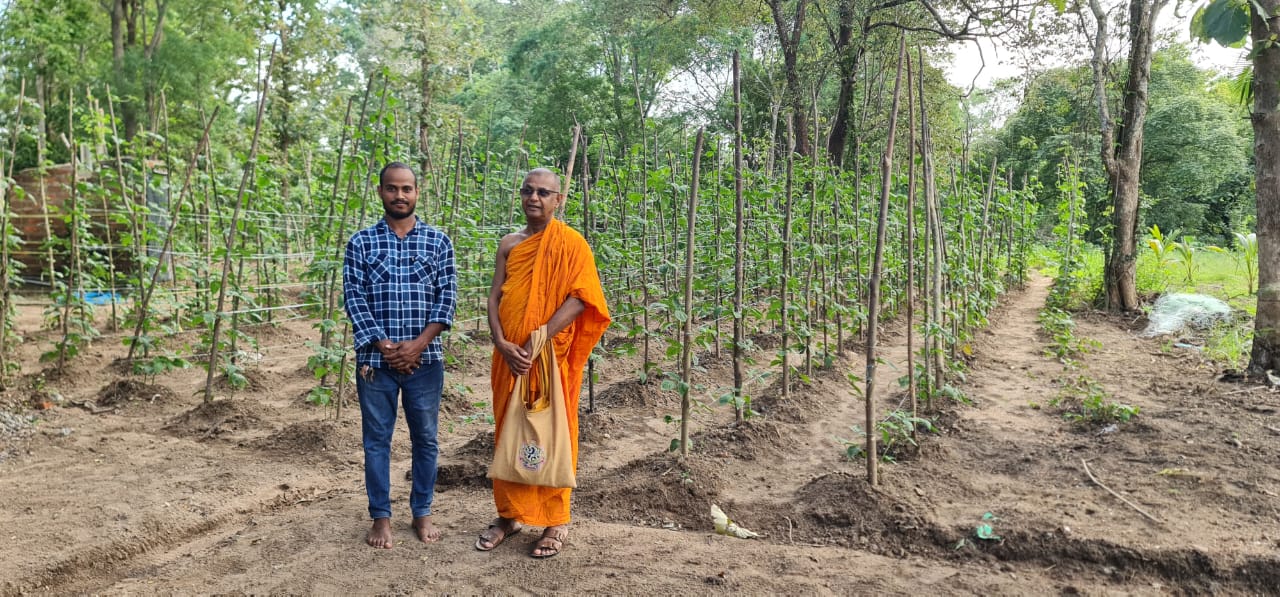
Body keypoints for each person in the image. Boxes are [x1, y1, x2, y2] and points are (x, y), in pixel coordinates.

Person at [475, 168, 610, 558]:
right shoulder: (509, 244)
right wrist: (501, 342)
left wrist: (539, 339)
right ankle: (508, 515)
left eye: (544, 193)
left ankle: (555, 521)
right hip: (510, 359)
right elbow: (494, 297)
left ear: (558, 199)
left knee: (555, 434)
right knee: (509, 432)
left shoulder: (572, 244)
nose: (534, 198)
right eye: (528, 190)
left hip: (550, 357)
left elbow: (582, 298)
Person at [343, 162, 457, 549]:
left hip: (425, 361)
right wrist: (384, 345)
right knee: (377, 440)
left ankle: (422, 512)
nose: (400, 195)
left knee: (426, 439)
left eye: (407, 188)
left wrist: (417, 345)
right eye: (392, 188)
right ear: (380, 192)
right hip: (376, 363)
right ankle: (381, 517)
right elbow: (354, 297)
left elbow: (447, 299)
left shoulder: (438, 242)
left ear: (417, 192)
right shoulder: (361, 243)